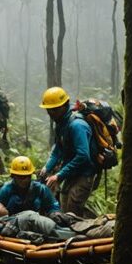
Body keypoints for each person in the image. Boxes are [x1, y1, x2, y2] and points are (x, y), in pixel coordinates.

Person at [39, 87, 98, 216]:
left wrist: (58, 176)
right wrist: (47, 167)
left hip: (85, 173)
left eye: (54, 109)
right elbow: (58, 149)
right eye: (49, 110)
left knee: (72, 209)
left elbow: (83, 156)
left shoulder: (77, 125)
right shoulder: (61, 124)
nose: (51, 113)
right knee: (64, 206)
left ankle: (87, 231)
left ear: (64, 106)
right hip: (70, 171)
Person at [0, 200, 76, 242]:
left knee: (69, 222)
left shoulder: (8, 219)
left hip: (39, 222)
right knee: (69, 233)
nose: (1, 203)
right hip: (34, 223)